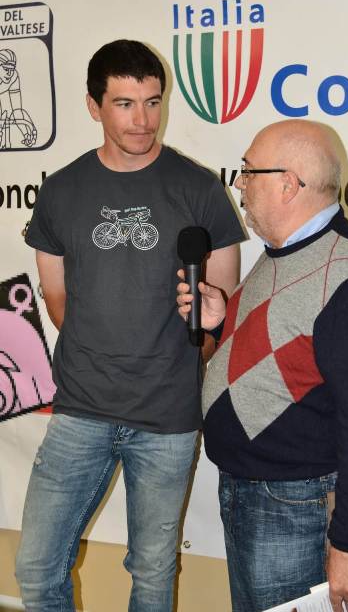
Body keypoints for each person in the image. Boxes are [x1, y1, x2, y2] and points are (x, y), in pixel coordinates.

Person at [16, 39, 245, 612]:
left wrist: (189, 348)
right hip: (80, 410)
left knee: (152, 573)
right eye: (124, 103)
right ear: (94, 106)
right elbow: (58, 301)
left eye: (152, 101)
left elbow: (224, 311)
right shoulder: (61, 190)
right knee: (37, 571)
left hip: (167, 418)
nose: (142, 120)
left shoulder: (200, 189)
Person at [177, 120, 348, 612]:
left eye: (248, 170)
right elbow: (287, 358)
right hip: (258, 496)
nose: (239, 182)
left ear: (288, 184)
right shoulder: (285, 252)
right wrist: (221, 322)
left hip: (293, 507)